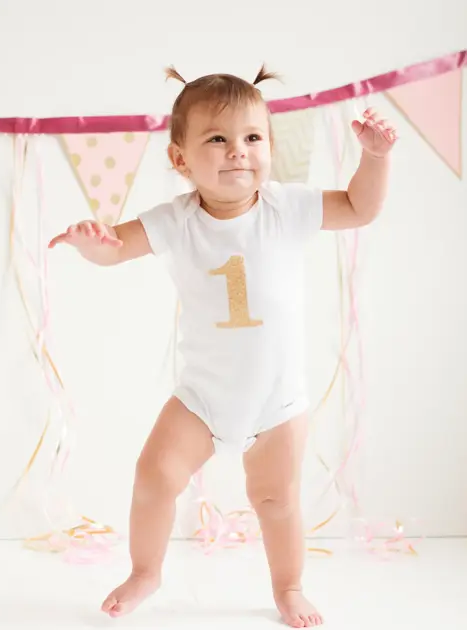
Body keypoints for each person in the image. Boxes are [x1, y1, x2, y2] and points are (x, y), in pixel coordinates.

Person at [48, 65, 397, 628]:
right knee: (154, 476)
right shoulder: (176, 220)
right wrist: (91, 244)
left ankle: (288, 587)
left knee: (276, 500)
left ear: (270, 147)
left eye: (253, 137)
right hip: (202, 399)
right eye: (217, 138)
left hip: (277, 403)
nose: (238, 151)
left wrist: (374, 159)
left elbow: (360, 208)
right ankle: (145, 571)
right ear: (180, 159)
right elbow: (117, 249)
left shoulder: (287, 208)